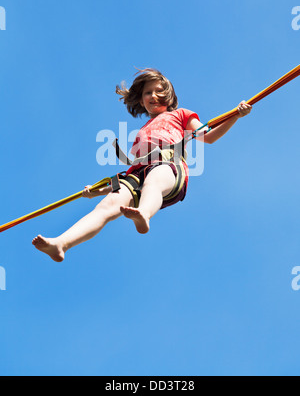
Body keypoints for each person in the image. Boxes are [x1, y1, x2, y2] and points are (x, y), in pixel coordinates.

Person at [32, 68, 252, 262]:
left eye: (158, 91)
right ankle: (61, 244)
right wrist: (100, 190)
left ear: (170, 95)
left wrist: (235, 116)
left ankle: (144, 213)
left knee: (154, 181)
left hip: (168, 165)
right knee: (107, 206)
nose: (153, 96)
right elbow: (132, 171)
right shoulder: (142, 131)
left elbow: (209, 136)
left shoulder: (181, 114)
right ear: (140, 99)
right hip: (138, 172)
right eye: (148, 93)